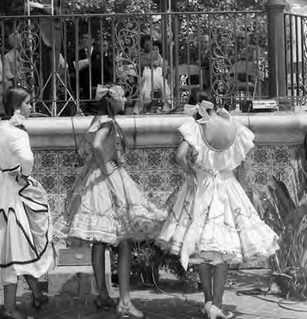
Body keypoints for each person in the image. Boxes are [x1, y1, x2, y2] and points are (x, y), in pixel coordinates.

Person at [157, 90, 279, 319]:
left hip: (202, 187)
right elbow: (241, 164)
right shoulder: (234, 126)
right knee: (222, 251)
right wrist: (241, 188)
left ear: (197, 107)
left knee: (204, 249)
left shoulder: (196, 127)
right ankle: (217, 306)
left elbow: (180, 155)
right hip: (227, 186)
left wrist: (192, 173)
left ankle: (209, 302)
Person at [61, 83, 165, 318]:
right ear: (113, 101)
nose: (126, 102)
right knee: (124, 241)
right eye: (123, 98)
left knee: (100, 242)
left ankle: (103, 295)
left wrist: (101, 161)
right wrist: (106, 167)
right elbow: (97, 145)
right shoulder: (107, 122)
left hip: (95, 178)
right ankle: (125, 301)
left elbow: (83, 149)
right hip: (108, 179)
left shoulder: (98, 119)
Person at [0, 86, 54, 319]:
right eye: (28, 103)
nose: (31, 107)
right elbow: (27, 159)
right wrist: (24, 175)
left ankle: (36, 294)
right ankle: (9, 308)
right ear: (18, 106)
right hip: (13, 194)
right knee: (14, 249)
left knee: (20, 246)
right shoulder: (17, 133)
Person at [12, 0, 67, 111]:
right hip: (29, 37)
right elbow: (12, 12)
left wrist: (53, 11)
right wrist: (23, 8)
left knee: (50, 73)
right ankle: (29, 106)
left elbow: (65, 13)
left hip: (50, 38)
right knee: (30, 72)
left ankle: (49, 106)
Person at [135, 36, 172, 113]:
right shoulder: (140, 54)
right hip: (144, 77)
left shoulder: (156, 54)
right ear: (143, 44)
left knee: (163, 82)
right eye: (146, 42)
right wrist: (149, 64)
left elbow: (162, 64)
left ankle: (167, 105)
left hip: (156, 77)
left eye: (150, 41)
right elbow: (139, 65)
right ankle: (144, 104)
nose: (148, 43)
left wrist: (160, 65)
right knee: (147, 80)